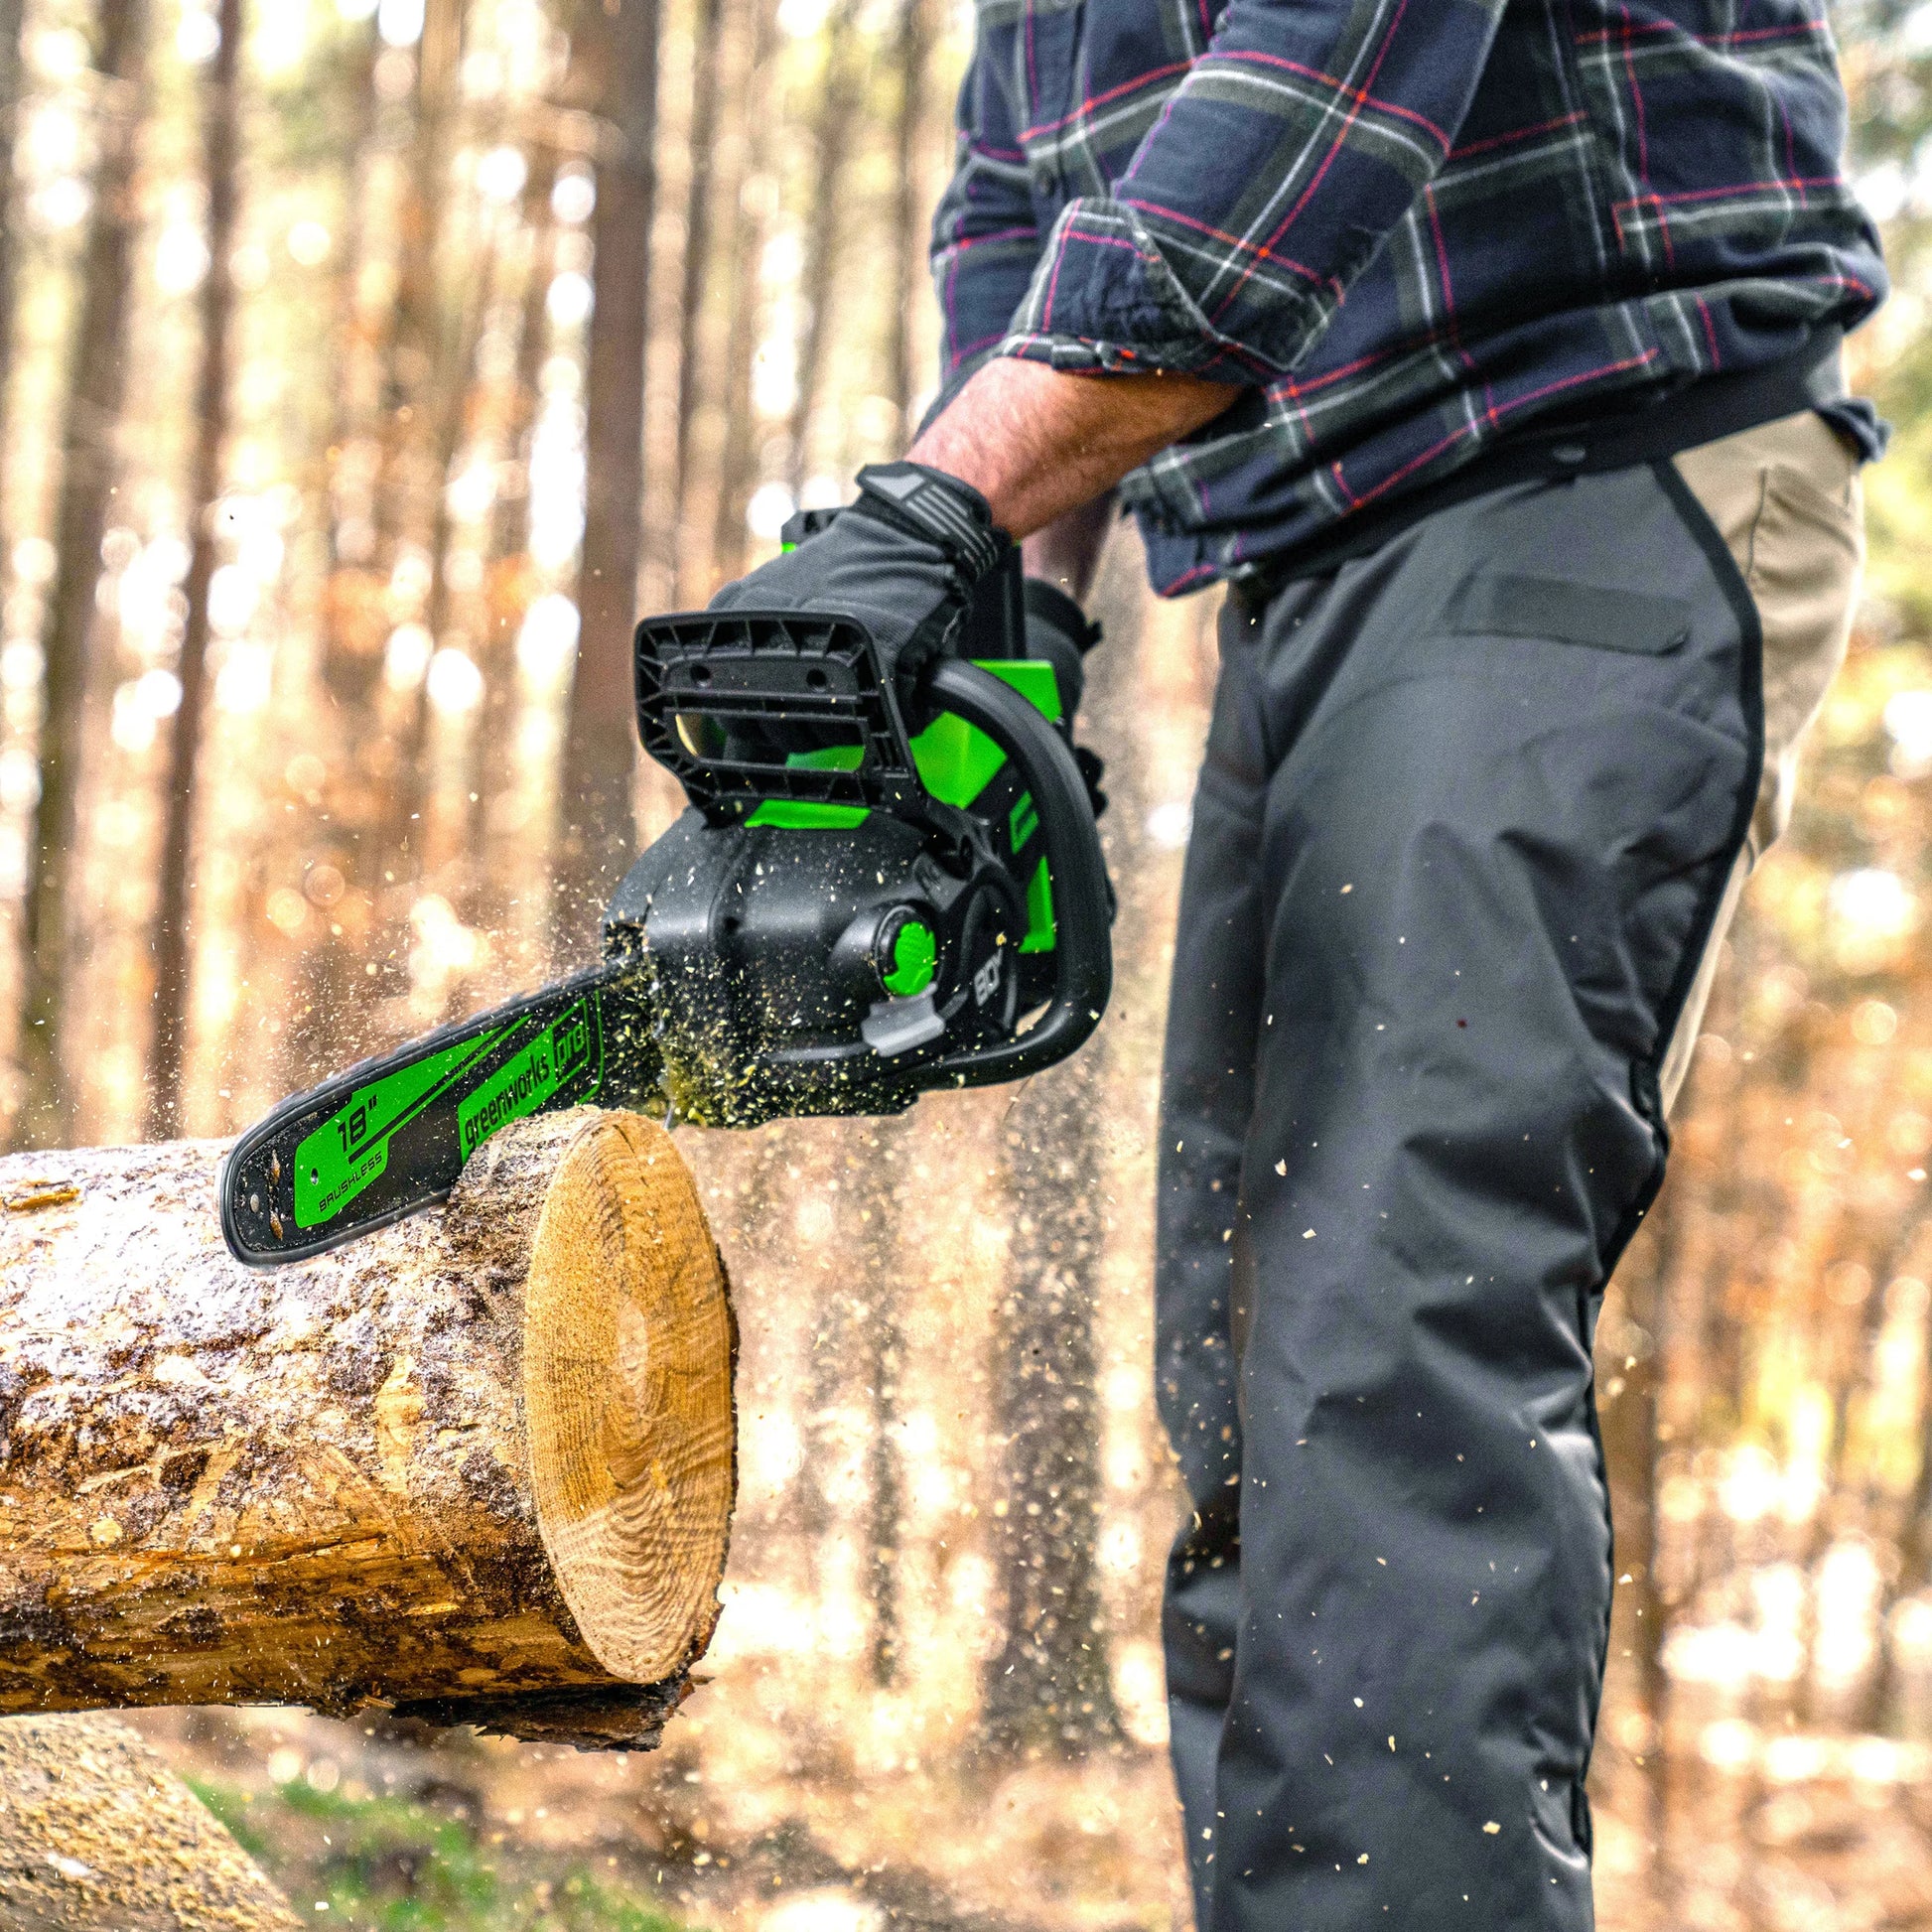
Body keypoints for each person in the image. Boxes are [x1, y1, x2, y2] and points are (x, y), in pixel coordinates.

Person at [707, 3, 1886, 1925]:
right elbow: (1017, 219)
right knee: (1257, 1356)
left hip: (1593, 449)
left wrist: (933, 500)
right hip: (1305, 554)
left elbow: (1332, 67)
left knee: (1389, 1321)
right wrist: (993, 624)